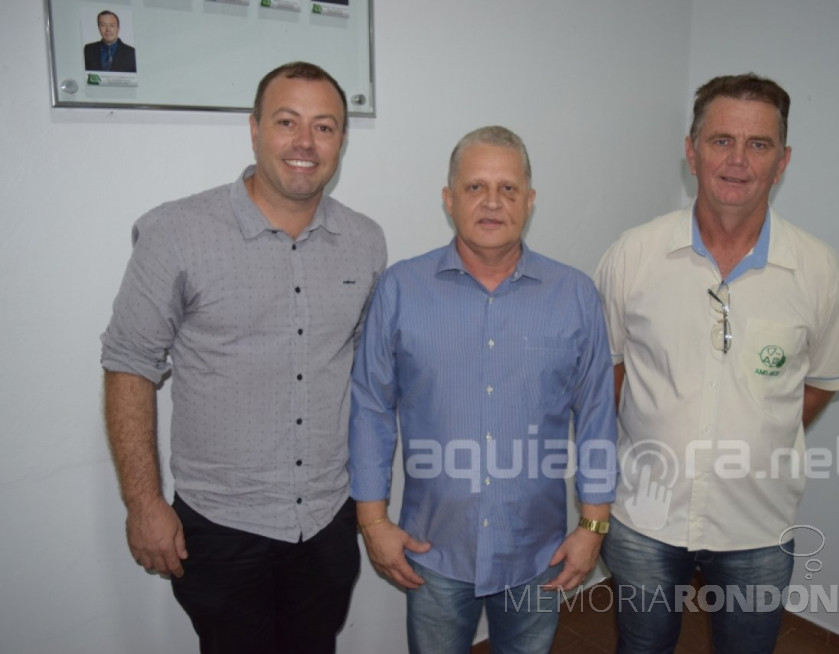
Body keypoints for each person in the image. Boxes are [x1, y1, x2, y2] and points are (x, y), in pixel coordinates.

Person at [101, 61, 386, 654]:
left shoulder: (366, 242)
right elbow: (129, 365)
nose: (305, 143)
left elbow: (362, 371)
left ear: (341, 141)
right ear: (254, 129)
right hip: (221, 527)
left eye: (324, 126)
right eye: (287, 122)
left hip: (328, 520)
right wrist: (144, 504)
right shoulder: (176, 232)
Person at [594, 73, 839, 654]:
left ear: (783, 160)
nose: (738, 160)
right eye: (721, 140)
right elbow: (610, 369)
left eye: (758, 144)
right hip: (646, 517)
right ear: (691, 151)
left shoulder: (820, 270)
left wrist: (755, 438)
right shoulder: (633, 255)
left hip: (758, 527)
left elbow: (819, 383)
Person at [348, 125, 618, 654]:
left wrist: (593, 527)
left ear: (530, 201)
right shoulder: (401, 289)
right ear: (449, 199)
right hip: (434, 549)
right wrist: (372, 520)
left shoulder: (575, 295)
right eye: (475, 187)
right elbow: (370, 408)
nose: (492, 202)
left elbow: (596, 418)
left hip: (537, 552)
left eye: (508, 188)